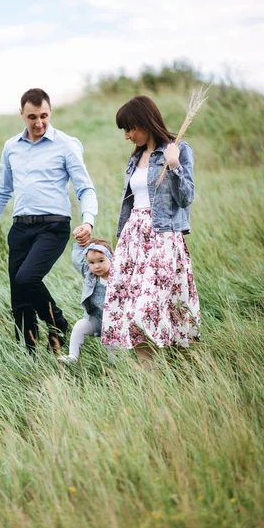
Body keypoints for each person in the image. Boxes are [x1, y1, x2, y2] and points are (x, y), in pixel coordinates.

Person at [0, 88, 98, 353]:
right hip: (20, 228)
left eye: (44, 116)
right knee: (19, 299)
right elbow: (1, 191)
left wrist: (88, 221)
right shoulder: (11, 147)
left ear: (50, 112)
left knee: (27, 278)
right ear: (21, 114)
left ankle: (58, 324)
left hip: (53, 227)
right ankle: (28, 355)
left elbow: (85, 188)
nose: (39, 123)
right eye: (32, 117)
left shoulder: (66, 144)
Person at [101, 95, 200, 366]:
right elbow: (131, 203)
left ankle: (183, 367)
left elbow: (187, 197)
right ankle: (150, 379)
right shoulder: (136, 158)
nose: (127, 136)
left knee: (153, 307)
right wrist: (121, 238)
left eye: (130, 128)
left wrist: (174, 165)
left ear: (145, 122)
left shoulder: (178, 150)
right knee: (131, 307)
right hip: (134, 239)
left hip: (162, 238)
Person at [58, 237, 113, 364]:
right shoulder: (90, 275)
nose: (97, 266)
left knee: (112, 345)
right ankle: (73, 356)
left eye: (101, 261)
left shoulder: (118, 276)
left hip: (113, 321)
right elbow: (77, 261)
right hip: (95, 318)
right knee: (79, 326)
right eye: (92, 263)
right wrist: (80, 244)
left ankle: (113, 366)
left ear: (111, 258)